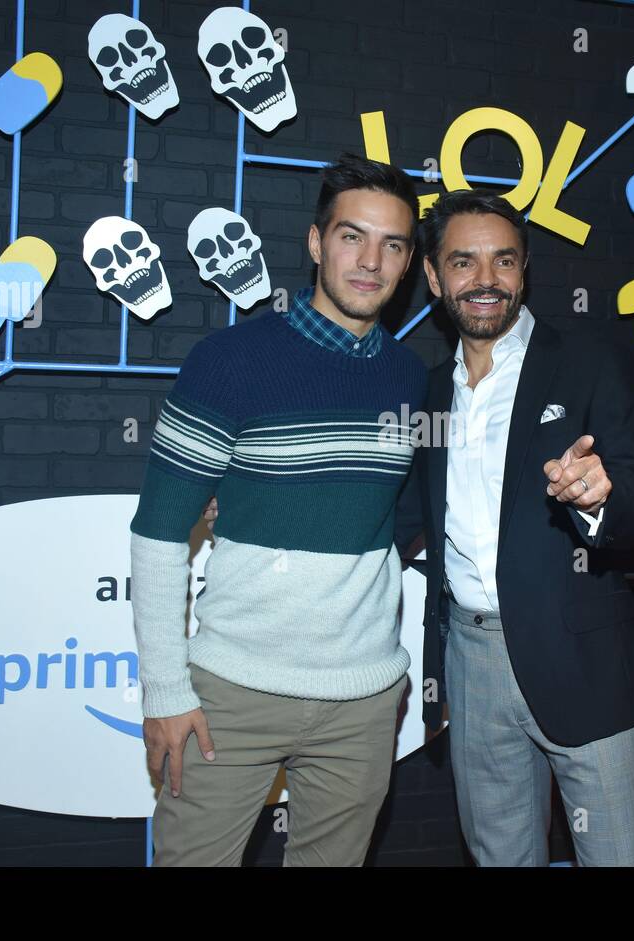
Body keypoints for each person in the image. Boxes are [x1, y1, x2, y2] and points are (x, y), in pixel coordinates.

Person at [128, 152, 426, 866]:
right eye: (352, 236)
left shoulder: (410, 375)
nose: (370, 261)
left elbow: (397, 521)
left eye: (392, 244)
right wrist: (166, 689)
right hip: (232, 694)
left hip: (363, 699)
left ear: (410, 261)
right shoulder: (229, 360)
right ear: (317, 242)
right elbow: (160, 532)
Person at [397, 188, 634, 866]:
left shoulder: (587, 361)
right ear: (433, 278)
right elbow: (401, 514)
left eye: (503, 261)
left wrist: (599, 496)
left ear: (524, 272)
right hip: (471, 660)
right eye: (463, 262)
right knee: (500, 857)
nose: (485, 280)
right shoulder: (425, 394)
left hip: (584, 661)